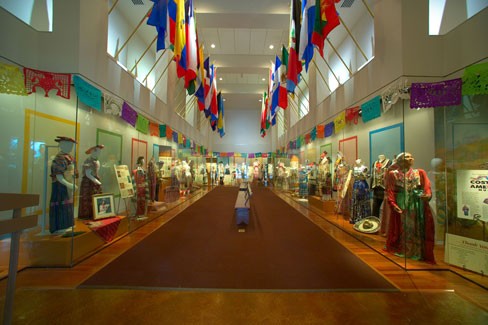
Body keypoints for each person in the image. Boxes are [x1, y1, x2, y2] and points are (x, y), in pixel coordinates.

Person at [385, 152, 436, 264]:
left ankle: (417, 251)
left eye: (410, 157)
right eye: (406, 157)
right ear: (399, 161)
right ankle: (404, 248)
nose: (409, 159)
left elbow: (427, 186)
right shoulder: (393, 174)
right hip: (402, 201)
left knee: (416, 226)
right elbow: (390, 190)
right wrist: (393, 204)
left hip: (416, 202)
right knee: (403, 226)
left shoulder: (420, 173)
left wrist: (427, 195)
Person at [49, 136, 78, 233]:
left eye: (71, 145)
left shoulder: (69, 157)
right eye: (67, 145)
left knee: (68, 205)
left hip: (68, 185)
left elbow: (73, 172)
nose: (70, 147)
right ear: (61, 145)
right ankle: (60, 227)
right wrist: (69, 185)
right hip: (60, 186)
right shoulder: (59, 158)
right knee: (61, 205)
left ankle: (68, 224)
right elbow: (58, 176)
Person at [78, 144, 104, 220]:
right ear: (92, 152)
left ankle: (95, 214)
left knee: (96, 197)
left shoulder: (97, 161)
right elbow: (88, 174)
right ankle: (87, 216)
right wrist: (97, 181)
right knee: (88, 199)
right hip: (88, 182)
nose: (99, 153)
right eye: (97, 152)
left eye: (100, 152)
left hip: (95, 181)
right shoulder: (88, 161)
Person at [370, 154, 391, 218]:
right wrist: (371, 186)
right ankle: (375, 222)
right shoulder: (375, 163)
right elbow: (372, 175)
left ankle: (385, 224)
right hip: (376, 188)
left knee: (386, 207)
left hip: (384, 188)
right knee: (375, 207)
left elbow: (390, 176)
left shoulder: (389, 162)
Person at [350, 158, 370, 224]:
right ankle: (355, 217)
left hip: (363, 185)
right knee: (355, 200)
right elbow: (352, 175)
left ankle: (363, 217)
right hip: (356, 184)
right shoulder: (354, 168)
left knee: (363, 201)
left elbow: (368, 176)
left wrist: (363, 176)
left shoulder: (365, 168)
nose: (357, 162)